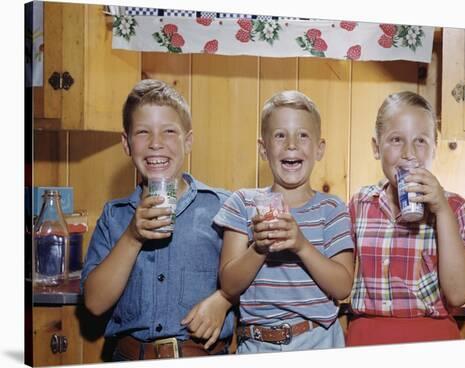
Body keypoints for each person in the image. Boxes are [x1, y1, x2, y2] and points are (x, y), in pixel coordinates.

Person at [81, 79, 234, 361]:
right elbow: (94, 302)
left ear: (188, 141)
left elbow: (252, 280)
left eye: (169, 131)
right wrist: (132, 236)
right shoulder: (114, 216)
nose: (155, 143)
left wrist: (224, 299)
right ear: (126, 144)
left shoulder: (222, 207)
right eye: (142, 132)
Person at [213, 90, 354, 353]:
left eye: (303, 135)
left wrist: (302, 245)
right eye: (280, 135)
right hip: (257, 344)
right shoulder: (242, 203)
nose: (291, 144)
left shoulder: (332, 208)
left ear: (319, 149)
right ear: (263, 149)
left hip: (319, 341)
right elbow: (229, 285)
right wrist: (259, 247)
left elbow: (343, 286)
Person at [346, 91, 465, 346]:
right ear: (376, 148)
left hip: (432, 338)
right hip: (367, 336)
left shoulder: (457, 208)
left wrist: (441, 210)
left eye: (420, 141)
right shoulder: (359, 204)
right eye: (396, 139)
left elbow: (458, 294)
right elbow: (340, 280)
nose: (409, 153)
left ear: (435, 146)